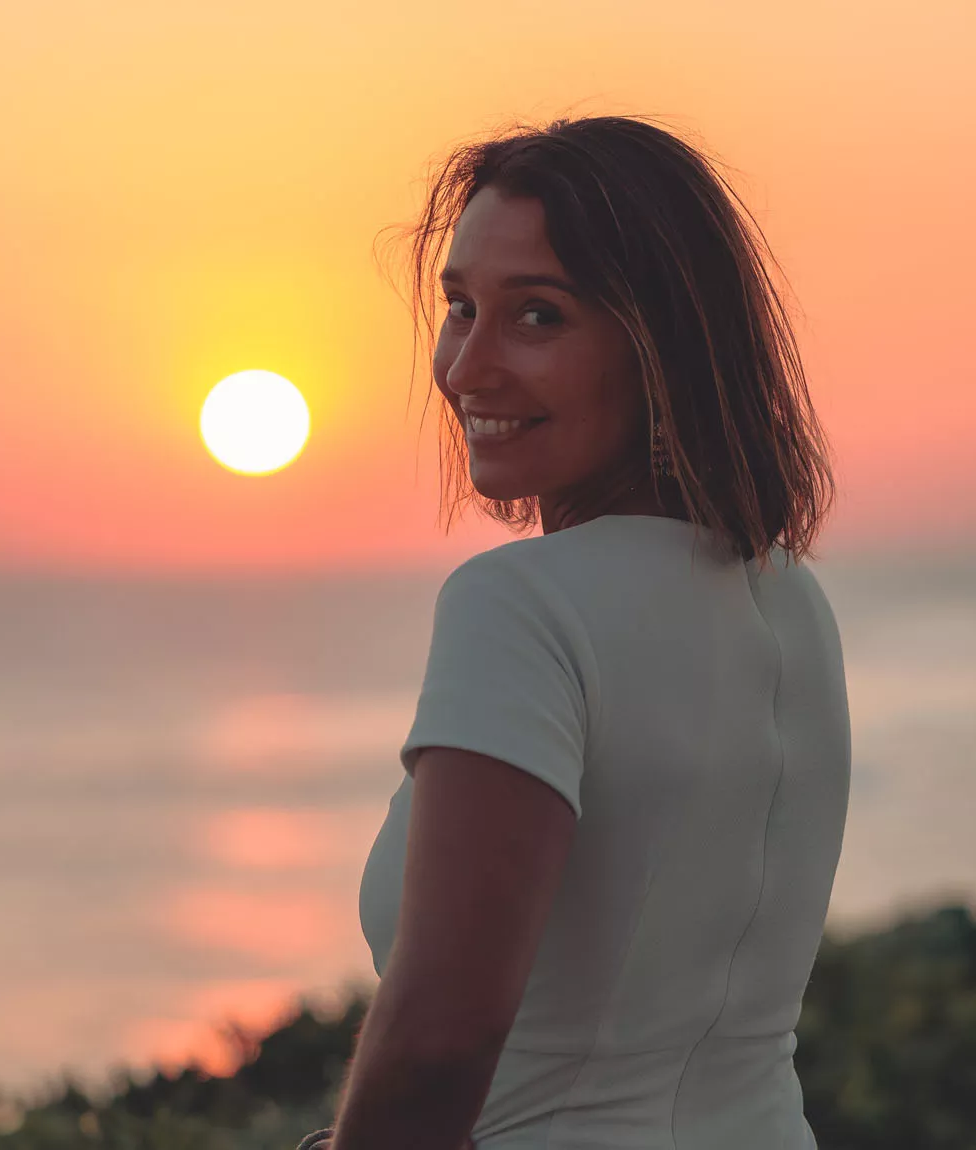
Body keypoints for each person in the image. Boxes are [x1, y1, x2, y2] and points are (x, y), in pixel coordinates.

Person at [303, 114, 849, 1149]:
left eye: (539, 316)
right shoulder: (790, 602)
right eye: (459, 307)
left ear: (661, 349)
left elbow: (437, 1043)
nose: (468, 365)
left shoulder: (521, 606)